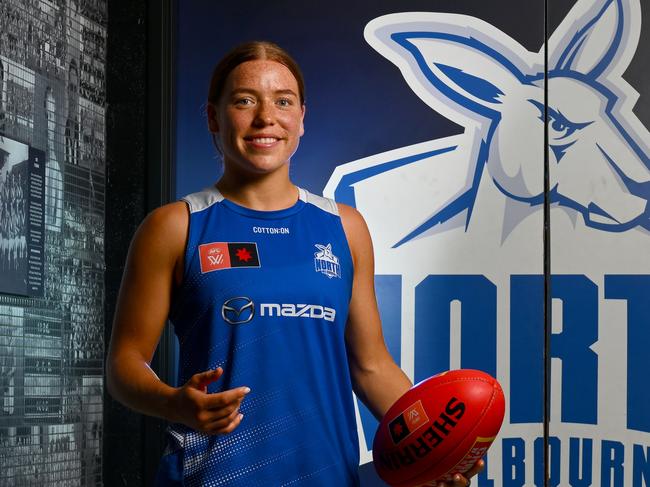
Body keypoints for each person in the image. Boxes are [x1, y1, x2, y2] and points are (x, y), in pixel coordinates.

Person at [106, 41, 483, 486]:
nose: (266, 117)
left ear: (301, 118)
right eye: (245, 100)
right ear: (213, 116)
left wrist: (436, 445)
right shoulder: (175, 226)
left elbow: (372, 366)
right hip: (209, 477)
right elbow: (124, 364)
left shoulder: (344, 227)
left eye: (283, 101)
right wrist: (174, 402)